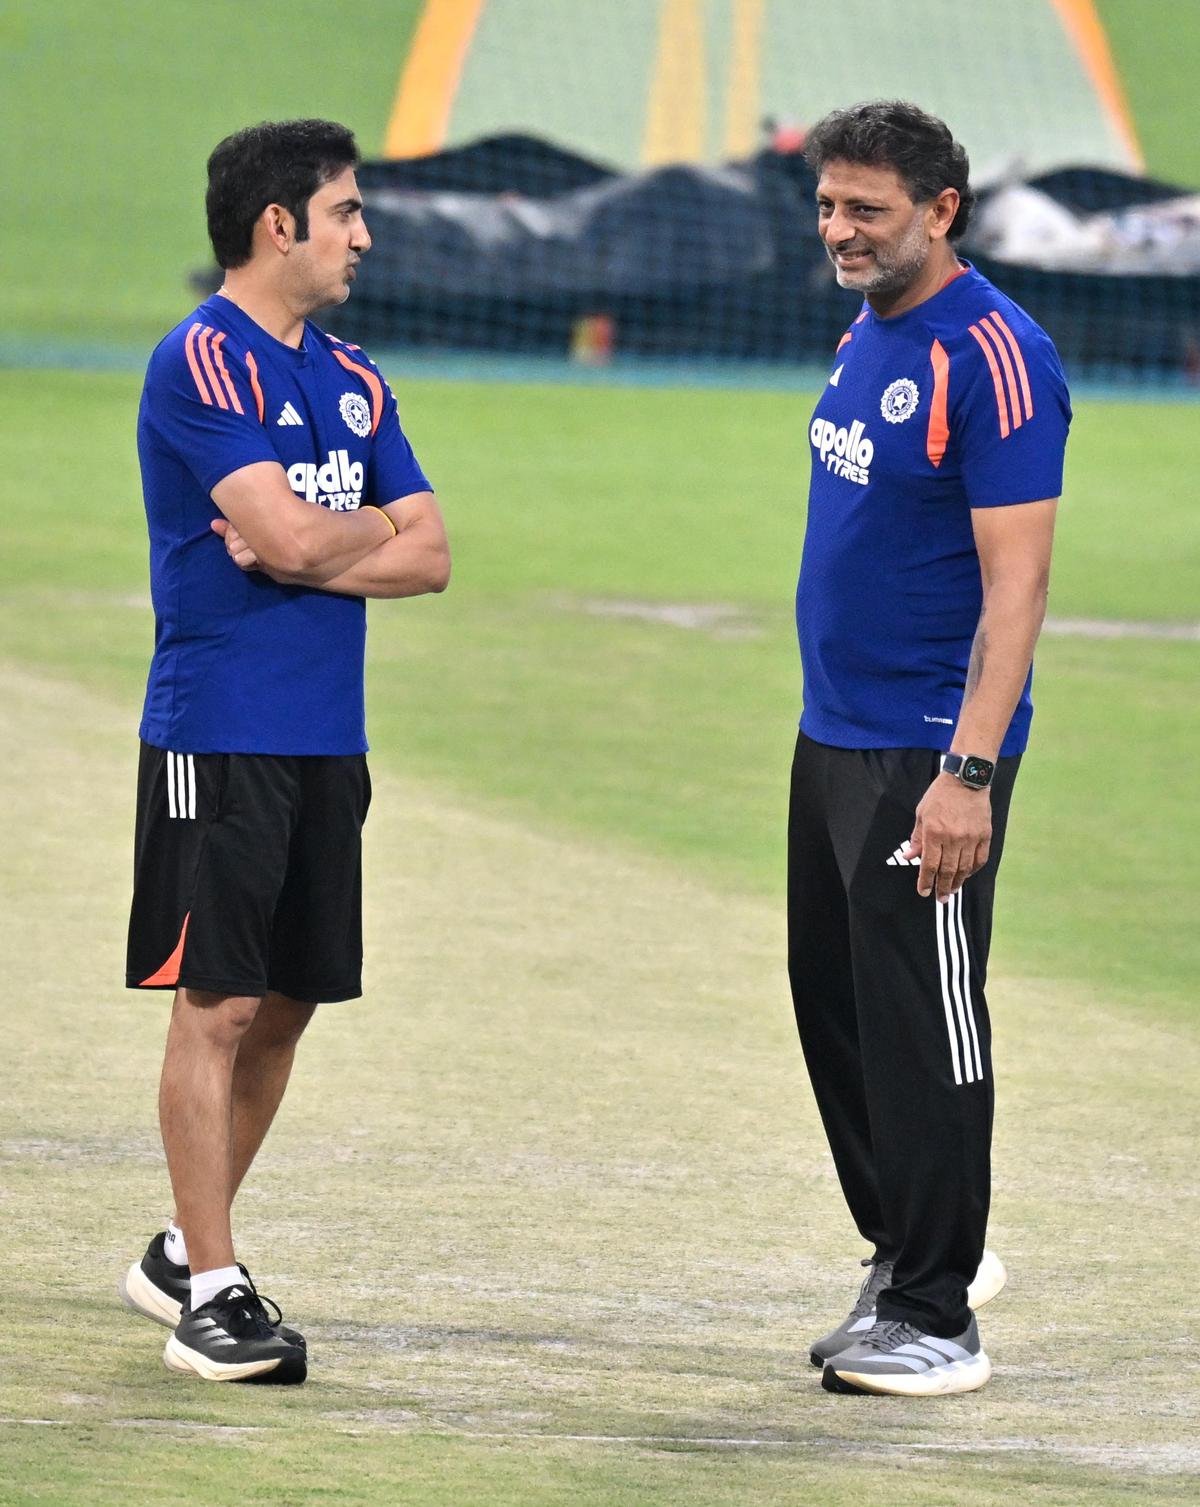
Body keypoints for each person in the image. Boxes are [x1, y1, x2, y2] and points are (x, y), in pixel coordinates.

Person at [118, 119, 450, 1385]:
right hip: (220, 729)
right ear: (280, 223)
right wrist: (337, 534)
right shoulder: (201, 360)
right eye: (348, 211)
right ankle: (211, 1287)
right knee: (219, 1003)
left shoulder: (355, 378)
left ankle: (174, 1249)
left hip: (326, 737)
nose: (363, 234)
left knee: (293, 1000)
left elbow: (428, 554)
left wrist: (325, 530)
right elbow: (301, 545)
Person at [788, 101, 1070, 1396]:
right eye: (831, 205)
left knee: (927, 1023)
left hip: (925, 753)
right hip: (832, 735)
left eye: (868, 211)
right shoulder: (869, 325)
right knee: (840, 1015)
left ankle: (939, 1311)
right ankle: (905, 1249)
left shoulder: (997, 357)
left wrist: (967, 775)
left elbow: (1016, 592)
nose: (840, 229)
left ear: (942, 210)